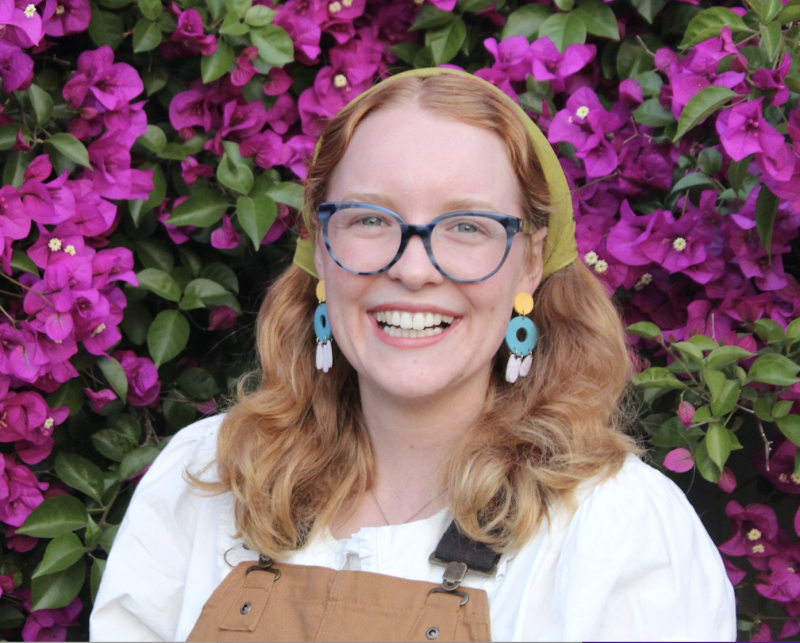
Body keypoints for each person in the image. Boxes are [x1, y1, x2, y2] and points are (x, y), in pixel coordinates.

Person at [90, 68, 736, 642]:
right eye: (370, 219)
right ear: (320, 247)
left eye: (467, 227)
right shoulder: (204, 478)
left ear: (530, 263)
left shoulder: (615, 532)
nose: (414, 268)